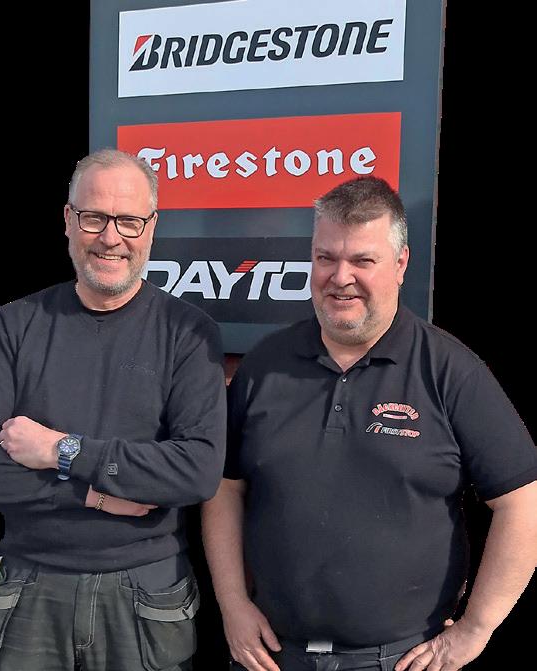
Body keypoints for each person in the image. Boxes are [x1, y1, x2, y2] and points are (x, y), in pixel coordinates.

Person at [202, 176, 537, 671]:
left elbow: (520, 504)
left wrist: (475, 628)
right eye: (326, 258)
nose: (341, 277)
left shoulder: (450, 372)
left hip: (400, 659)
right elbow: (224, 488)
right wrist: (232, 605)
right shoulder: (265, 365)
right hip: (272, 655)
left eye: (363, 260)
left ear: (400, 264)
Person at [0, 148, 226, 671]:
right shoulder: (17, 325)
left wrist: (61, 449)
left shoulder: (188, 333)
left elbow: (195, 471)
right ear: (68, 220)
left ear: (152, 227)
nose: (110, 237)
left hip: (145, 594)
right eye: (94, 217)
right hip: (26, 587)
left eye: (129, 221)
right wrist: (92, 495)